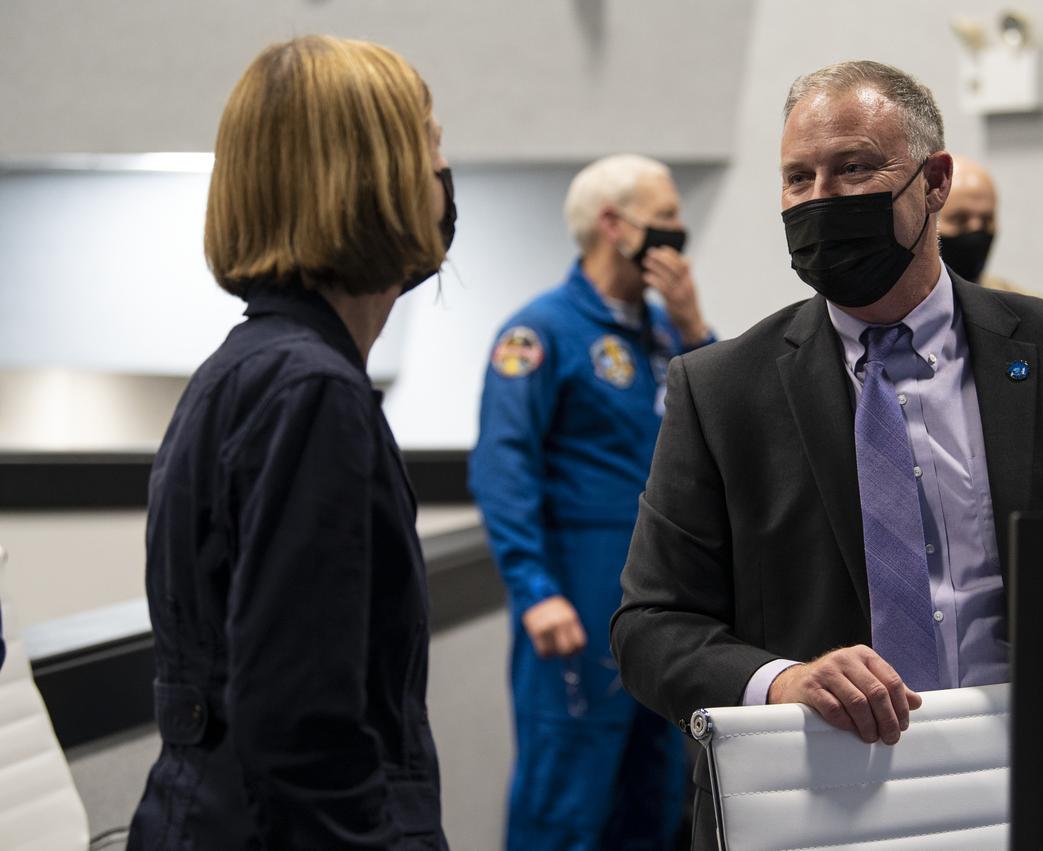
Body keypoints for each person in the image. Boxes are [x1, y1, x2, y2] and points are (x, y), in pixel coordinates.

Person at [610, 60, 1043, 849]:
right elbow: (649, 625)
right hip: (831, 800)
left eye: (853, 168)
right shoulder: (721, 390)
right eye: (797, 177)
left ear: (934, 181)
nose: (820, 198)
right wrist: (785, 680)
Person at [127, 36, 455, 849]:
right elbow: (302, 731)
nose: (445, 182)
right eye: (432, 147)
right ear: (372, 176)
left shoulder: (250, 369)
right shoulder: (312, 395)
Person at [470, 154, 713, 850]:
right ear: (614, 225)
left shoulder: (671, 335)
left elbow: (732, 434)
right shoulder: (539, 332)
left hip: (665, 611)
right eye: (666, 220)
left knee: (660, 800)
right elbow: (502, 466)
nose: (679, 233)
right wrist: (534, 588)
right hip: (577, 604)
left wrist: (697, 330)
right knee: (567, 803)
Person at [937, 154, 1025, 294]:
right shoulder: (901, 311)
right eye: (960, 220)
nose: (976, 229)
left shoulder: (1022, 310)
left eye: (986, 220)